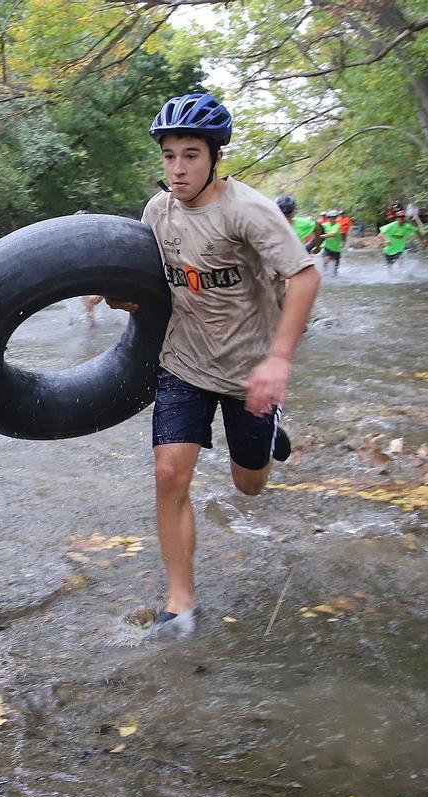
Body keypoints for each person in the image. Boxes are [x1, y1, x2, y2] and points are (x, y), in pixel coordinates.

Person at [120, 92, 320, 639]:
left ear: (214, 157)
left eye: (190, 154)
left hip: (248, 371)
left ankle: (270, 430)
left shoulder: (248, 210)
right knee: (168, 474)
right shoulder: (157, 213)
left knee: (248, 485)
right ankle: (180, 603)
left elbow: (304, 278)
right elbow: (152, 288)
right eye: (169, 156)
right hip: (183, 361)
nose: (178, 167)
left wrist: (278, 361)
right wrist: (125, 299)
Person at [317, 209, 348, 275]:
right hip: (327, 247)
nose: (331, 219)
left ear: (336, 218)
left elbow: (333, 234)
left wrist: (322, 236)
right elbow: (318, 228)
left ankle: (334, 277)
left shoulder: (337, 226)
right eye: (330, 217)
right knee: (325, 262)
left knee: (335, 269)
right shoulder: (325, 225)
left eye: (333, 217)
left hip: (336, 249)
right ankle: (324, 275)